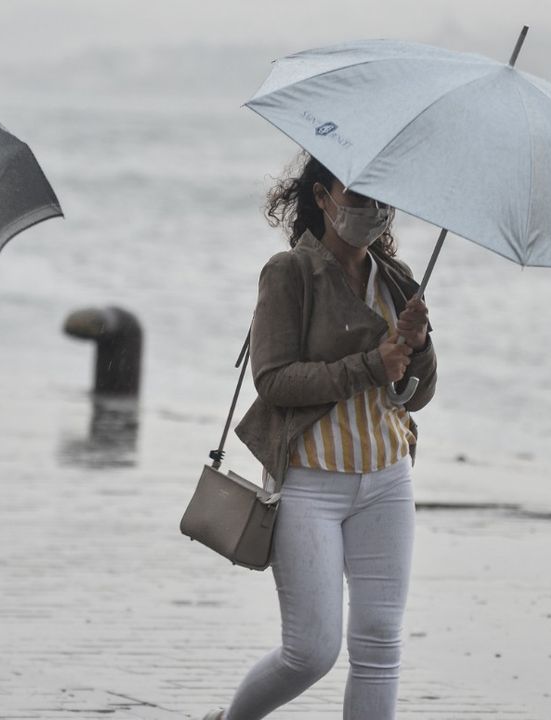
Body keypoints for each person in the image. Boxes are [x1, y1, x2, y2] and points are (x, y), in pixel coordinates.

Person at [207, 154, 438, 720]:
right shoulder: (290, 272)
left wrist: (420, 344)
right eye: (356, 196)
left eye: (381, 198)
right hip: (309, 483)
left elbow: (420, 393)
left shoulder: (399, 281)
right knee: (310, 651)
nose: (371, 210)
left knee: (380, 646)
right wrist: (370, 365)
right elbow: (274, 381)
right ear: (321, 197)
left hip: (386, 478)